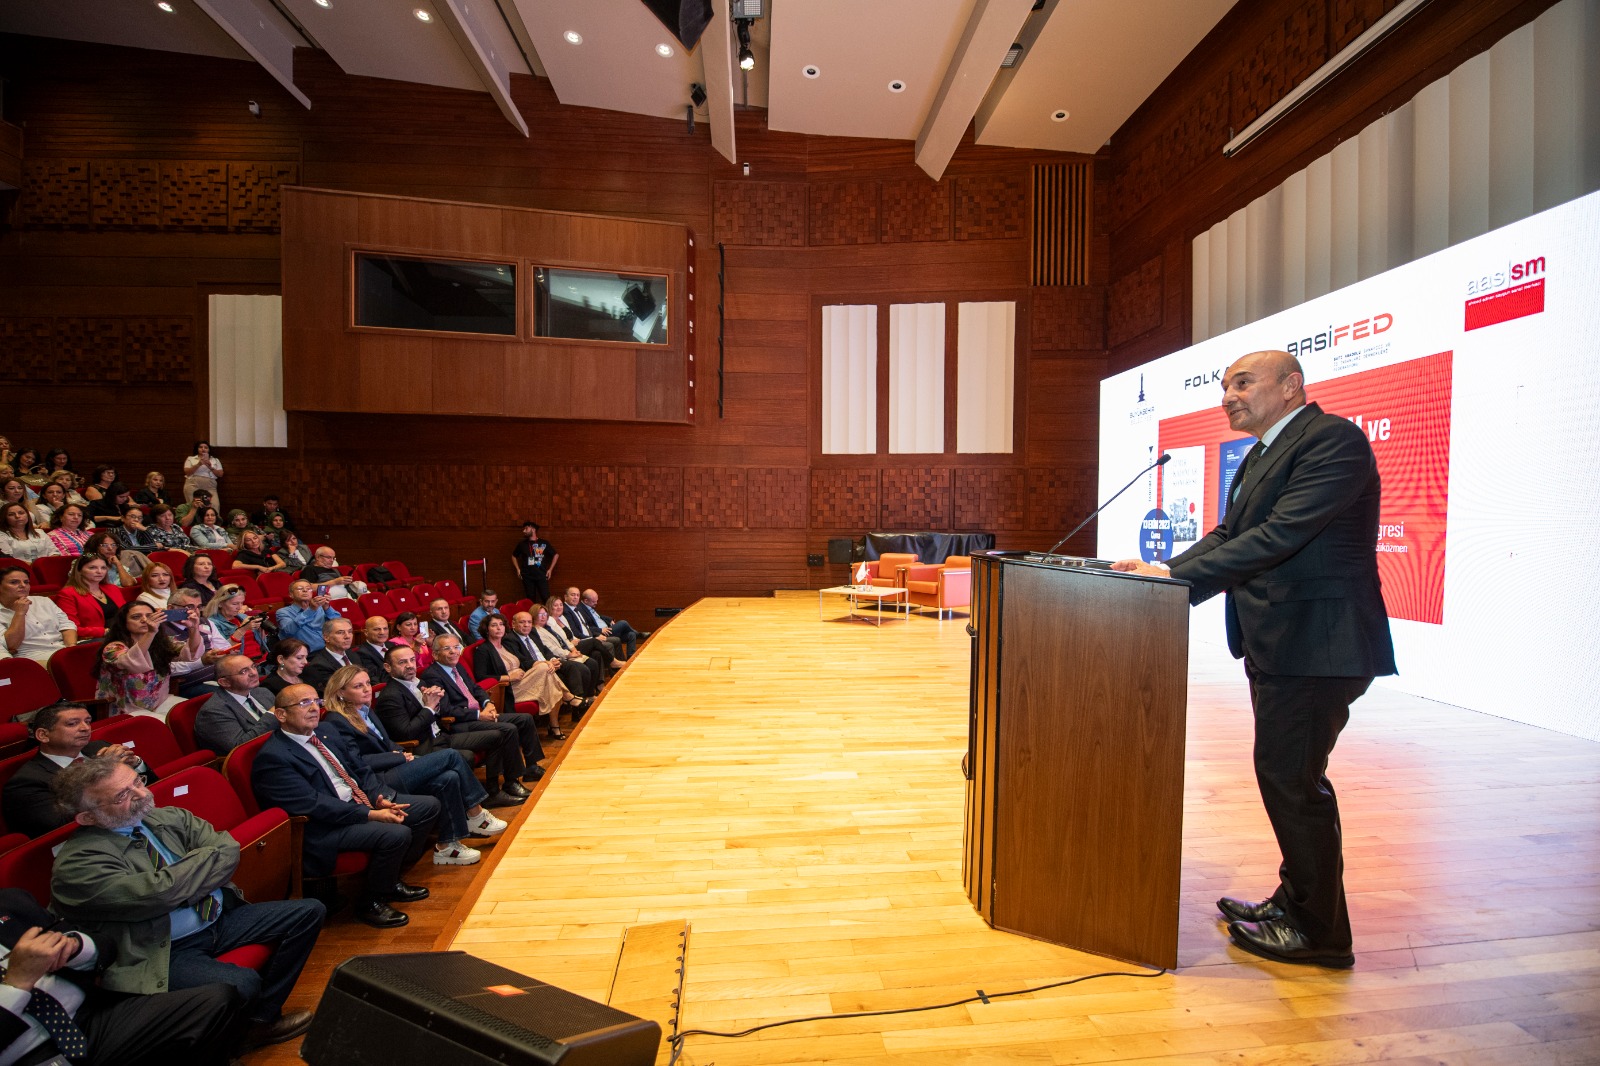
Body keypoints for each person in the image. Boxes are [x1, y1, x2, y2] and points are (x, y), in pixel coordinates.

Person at [1112, 349, 1395, 970]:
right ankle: (1295, 903)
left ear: (1291, 386)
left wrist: (1172, 578)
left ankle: (1321, 934)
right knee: (1287, 777)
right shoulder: (1265, 451)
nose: (1227, 396)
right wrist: (1163, 573)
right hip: (1282, 644)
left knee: (1293, 784)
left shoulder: (1333, 442)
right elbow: (1229, 536)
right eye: (1224, 386)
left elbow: (1278, 537)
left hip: (1319, 644)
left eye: (1242, 382)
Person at [49, 757, 324, 1048]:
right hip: (161, 948)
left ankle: (258, 1023)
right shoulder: (76, 864)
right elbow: (159, 895)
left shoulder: (165, 817)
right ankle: (242, 1030)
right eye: (122, 795)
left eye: (137, 781)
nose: (142, 794)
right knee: (245, 982)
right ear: (87, 817)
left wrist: (180, 884)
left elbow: (227, 849)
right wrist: (200, 868)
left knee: (309, 912)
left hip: (216, 918)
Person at [251, 684, 441, 929]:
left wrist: (377, 797)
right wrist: (371, 813)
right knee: (396, 833)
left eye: (316, 702)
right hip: (322, 827)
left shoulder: (324, 732)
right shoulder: (275, 757)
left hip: (356, 803)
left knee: (426, 807)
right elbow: (314, 804)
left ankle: (390, 880)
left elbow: (358, 770)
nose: (312, 709)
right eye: (303, 703)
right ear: (281, 715)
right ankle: (370, 903)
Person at [0, 885, 244, 1066]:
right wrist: (17, 983)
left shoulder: (10, 902)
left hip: (87, 1019)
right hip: (27, 1054)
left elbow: (103, 946)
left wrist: (75, 947)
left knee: (218, 999)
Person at [322, 665, 507, 865]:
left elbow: (387, 742)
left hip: (394, 767)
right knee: (451, 756)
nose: (367, 689)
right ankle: (476, 814)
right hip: (378, 779)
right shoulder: (336, 720)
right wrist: (399, 758)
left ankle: (447, 846)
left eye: (367, 683)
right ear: (341, 692)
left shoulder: (365, 710)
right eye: (358, 686)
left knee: (448, 778)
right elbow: (356, 763)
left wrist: (401, 753)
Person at [374, 644, 527, 807]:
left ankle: (494, 791)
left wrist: (437, 703)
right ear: (388, 667)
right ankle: (468, 805)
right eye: (402, 662)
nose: (410, 665)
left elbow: (440, 712)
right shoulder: (390, 696)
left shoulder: (419, 683)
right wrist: (429, 707)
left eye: (412, 660)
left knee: (498, 735)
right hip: (423, 746)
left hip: (442, 736)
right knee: (466, 755)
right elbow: (406, 732)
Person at [1, 702, 148, 839]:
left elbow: (150, 786)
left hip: (140, 819)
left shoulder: (98, 747)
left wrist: (136, 763)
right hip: (95, 840)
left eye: (88, 721)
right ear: (43, 735)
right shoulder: (26, 782)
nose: (85, 728)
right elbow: (61, 827)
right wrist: (106, 770)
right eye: (72, 724)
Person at [475, 614, 587, 739]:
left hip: (521, 680)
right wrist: (508, 677)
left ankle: (556, 723)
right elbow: (481, 677)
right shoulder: (483, 650)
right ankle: (567, 699)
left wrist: (543, 662)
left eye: (501, 625)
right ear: (486, 629)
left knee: (547, 673)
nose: (499, 628)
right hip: (507, 689)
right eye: (494, 625)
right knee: (545, 670)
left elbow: (522, 661)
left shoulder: (504, 645)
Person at [96, 600, 202, 716]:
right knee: (163, 725)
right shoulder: (113, 648)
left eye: (149, 616)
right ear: (124, 622)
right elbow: (133, 663)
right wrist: (150, 633)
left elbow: (191, 653)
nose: (145, 620)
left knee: (195, 714)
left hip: (160, 702)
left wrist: (193, 628)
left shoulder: (161, 642)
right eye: (136, 617)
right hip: (126, 708)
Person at [194, 654, 279, 754]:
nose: (254, 673)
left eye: (253, 667)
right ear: (225, 682)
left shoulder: (262, 692)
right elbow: (239, 747)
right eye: (244, 671)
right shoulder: (213, 712)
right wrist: (271, 715)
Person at [0, 563, 77, 662]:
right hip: (34, 658)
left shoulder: (43, 601)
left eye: (26, 582)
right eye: (14, 582)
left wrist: (71, 648)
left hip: (63, 650)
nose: (23, 585)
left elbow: (67, 625)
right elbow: (11, 645)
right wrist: (20, 613)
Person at [529, 604, 600, 696]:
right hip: (560, 656)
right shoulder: (536, 631)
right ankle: (582, 701)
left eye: (545, 614)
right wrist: (569, 654)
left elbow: (564, 639)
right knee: (584, 669)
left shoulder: (548, 627)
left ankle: (590, 695)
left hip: (567, 651)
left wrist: (573, 650)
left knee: (593, 661)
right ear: (534, 616)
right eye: (540, 614)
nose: (543, 617)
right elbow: (551, 649)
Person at [54, 555, 127, 639]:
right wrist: (106, 631)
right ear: (79, 570)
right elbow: (70, 629)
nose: (100, 572)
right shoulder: (68, 594)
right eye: (92, 568)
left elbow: (126, 614)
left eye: (103, 568)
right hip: (96, 638)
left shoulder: (112, 588)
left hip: (122, 634)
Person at [561, 585, 625, 665]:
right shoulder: (566, 611)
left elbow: (586, 626)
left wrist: (596, 635)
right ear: (565, 597)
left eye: (577, 595)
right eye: (573, 595)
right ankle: (614, 667)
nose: (576, 597)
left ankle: (622, 666)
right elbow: (575, 632)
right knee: (609, 644)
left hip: (591, 636)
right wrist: (594, 638)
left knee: (617, 639)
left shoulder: (577, 608)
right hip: (581, 641)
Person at [575, 586, 640, 660]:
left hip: (607, 628)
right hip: (601, 633)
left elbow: (599, 617)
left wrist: (610, 620)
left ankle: (630, 659)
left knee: (631, 635)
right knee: (623, 623)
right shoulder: (580, 610)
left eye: (597, 600)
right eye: (594, 601)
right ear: (586, 601)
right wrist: (600, 630)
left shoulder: (589, 606)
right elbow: (585, 627)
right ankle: (638, 634)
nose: (596, 603)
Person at [275, 580, 339, 653]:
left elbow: (339, 625)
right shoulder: (283, 612)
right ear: (291, 595)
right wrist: (311, 610)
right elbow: (289, 630)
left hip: (329, 649)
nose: (305, 590)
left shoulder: (321, 608)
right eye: (300, 588)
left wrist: (327, 608)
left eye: (308, 589)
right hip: (305, 655)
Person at [301, 617, 356, 694]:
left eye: (350, 632)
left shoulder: (352, 654)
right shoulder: (319, 665)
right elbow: (337, 692)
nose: (347, 636)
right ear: (326, 637)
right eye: (340, 632)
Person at [511, 521, 556, 605]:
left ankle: (549, 616)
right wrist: (518, 569)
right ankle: (532, 617)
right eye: (523, 529)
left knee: (546, 597)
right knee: (530, 598)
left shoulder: (544, 543)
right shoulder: (522, 544)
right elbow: (514, 556)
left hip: (542, 574)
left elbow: (555, 555)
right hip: (527, 575)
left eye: (526, 528)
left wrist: (550, 569)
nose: (524, 531)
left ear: (533, 529)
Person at [182, 442, 223, 508]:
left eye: (206, 447)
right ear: (197, 449)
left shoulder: (215, 460)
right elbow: (187, 472)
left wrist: (210, 466)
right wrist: (199, 464)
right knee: (194, 506)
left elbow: (220, 474)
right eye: (200, 447)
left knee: (214, 505)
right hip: (193, 484)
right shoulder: (190, 458)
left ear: (209, 449)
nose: (203, 449)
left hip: (210, 485)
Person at [352, 615, 393, 680]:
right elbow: (377, 677)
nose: (382, 632)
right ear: (366, 632)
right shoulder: (361, 653)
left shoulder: (391, 645)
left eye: (385, 628)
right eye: (377, 629)